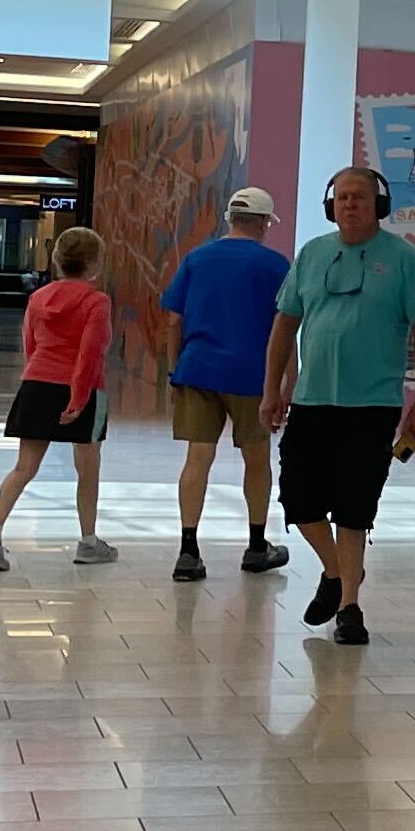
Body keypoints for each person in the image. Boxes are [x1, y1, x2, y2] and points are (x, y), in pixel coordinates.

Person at [264, 167, 415, 648]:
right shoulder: (313, 253)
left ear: (378, 204)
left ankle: (350, 609)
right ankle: (337, 572)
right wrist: (271, 389)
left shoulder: (401, 258)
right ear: (329, 205)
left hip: (373, 405)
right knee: (298, 500)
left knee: (355, 508)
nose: (350, 205)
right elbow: (284, 324)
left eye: (359, 197)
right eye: (341, 198)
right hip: (312, 401)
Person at [155, 185, 292, 583]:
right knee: (256, 459)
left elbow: (174, 322)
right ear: (265, 223)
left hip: (198, 370)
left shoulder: (197, 258)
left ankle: (188, 551)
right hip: (253, 374)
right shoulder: (275, 265)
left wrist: (175, 371)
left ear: (230, 218)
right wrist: (287, 386)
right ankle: (255, 545)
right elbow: (286, 328)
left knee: (198, 457)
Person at [0, 226, 115, 570]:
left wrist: (38, 381)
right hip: (82, 389)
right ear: (95, 264)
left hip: (36, 383)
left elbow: (30, 345)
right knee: (88, 466)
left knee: (24, 467)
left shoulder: (38, 298)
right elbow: (90, 353)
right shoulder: (96, 301)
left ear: (56, 261)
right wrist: (78, 398)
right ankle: (88, 541)